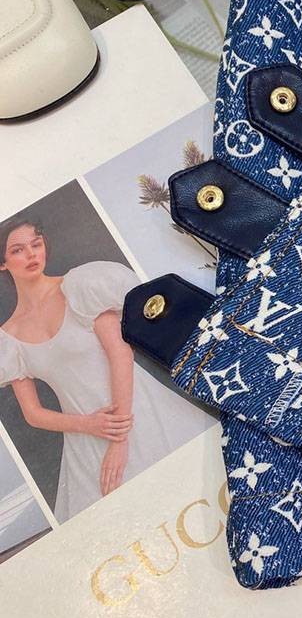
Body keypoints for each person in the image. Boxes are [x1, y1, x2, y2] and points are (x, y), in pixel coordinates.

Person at [0, 218, 208, 522]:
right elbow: (33, 414)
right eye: (18, 250)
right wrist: (89, 425)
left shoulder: (79, 287)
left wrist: (118, 440)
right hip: (85, 441)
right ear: (3, 264)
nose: (32, 254)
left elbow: (120, 353)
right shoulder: (8, 339)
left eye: (36, 244)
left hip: (141, 412)